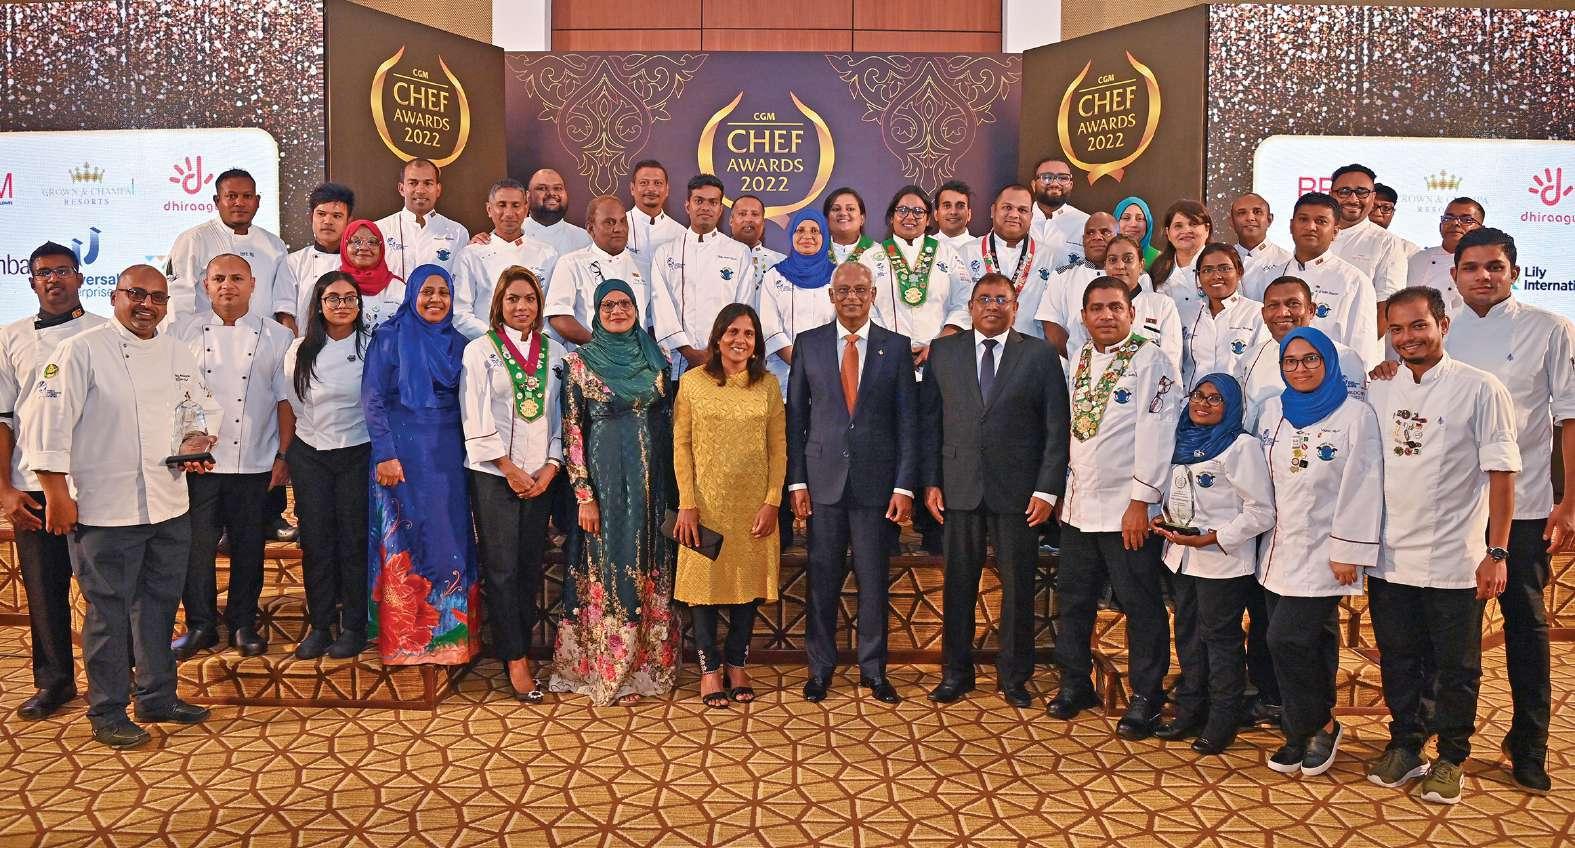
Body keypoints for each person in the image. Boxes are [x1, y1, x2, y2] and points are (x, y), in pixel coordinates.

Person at [1378, 228, 1573, 794]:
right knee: (1439, 637)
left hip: (1524, 505)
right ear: (1454, 276)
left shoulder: (1549, 328)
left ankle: (1529, 741)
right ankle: (1423, 739)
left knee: (1527, 629)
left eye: (1494, 266)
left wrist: (1569, 501)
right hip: (1447, 509)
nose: (1483, 276)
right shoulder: (1439, 328)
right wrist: (1387, 369)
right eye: (1470, 268)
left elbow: (1569, 417)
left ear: (1514, 270)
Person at [26, 264, 220, 749]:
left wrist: (197, 440)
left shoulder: (175, 351)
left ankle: (156, 696)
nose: (147, 305)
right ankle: (108, 710)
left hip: (168, 504)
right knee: (108, 615)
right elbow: (47, 424)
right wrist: (55, 493)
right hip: (104, 510)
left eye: (157, 297)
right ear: (114, 297)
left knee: (158, 606)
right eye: (137, 294)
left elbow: (199, 409)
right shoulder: (81, 350)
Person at [1361, 286, 1519, 805]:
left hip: (1455, 557)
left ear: (1443, 325)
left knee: (1457, 667)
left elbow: (1502, 476)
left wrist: (1497, 553)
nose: (1407, 337)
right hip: (1391, 556)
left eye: (1418, 325)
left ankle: (1452, 756)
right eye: (1397, 329)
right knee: (1398, 659)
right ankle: (1405, 742)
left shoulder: (1481, 388)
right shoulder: (1381, 387)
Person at [921, 273, 1068, 708]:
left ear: (1015, 307)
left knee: (1019, 588)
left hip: (1019, 494)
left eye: (1001, 299)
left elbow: (1056, 428)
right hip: (959, 486)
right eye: (984, 299)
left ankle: (1015, 677)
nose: (992, 306)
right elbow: (930, 421)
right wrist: (931, 481)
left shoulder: (1040, 355)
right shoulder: (944, 351)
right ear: (970, 307)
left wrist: (1047, 490)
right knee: (958, 586)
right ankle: (955, 673)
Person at [1046, 277, 1179, 740]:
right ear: (1083, 316)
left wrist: (1141, 501)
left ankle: (1147, 696)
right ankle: (1075, 683)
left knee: (1140, 604)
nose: (1105, 316)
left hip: (1128, 510)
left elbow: (1157, 434)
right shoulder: (1081, 356)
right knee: (1074, 600)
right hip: (1080, 507)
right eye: (1097, 308)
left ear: (1131, 313)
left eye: (1115, 307)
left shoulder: (1152, 360)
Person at [1253, 326, 1382, 778]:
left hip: (1327, 552)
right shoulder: (1271, 410)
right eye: (1291, 360)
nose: (1301, 368)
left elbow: (1363, 484)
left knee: (1285, 639)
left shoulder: (1356, 416)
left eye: (1311, 359)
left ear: (1328, 362)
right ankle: (1302, 730)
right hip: (1276, 550)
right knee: (1312, 642)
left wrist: (1348, 549)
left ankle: (1320, 723)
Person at [788, 262, 917, 704]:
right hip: (822, 484)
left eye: (861, 289)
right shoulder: (808, 344)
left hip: (876, 487)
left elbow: (907, 423)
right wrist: (796, 483)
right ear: (831, 295)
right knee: (822, 580)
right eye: (843, 290)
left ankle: (874, 671)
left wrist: (904, 486)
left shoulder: (895, 347)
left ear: (874, 294)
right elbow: (796, 419)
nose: (852, 297)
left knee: (873, 581)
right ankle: (819, 670)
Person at [550, 279, 680, 706]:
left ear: (637, 310)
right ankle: (610, 672)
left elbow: (669, 425)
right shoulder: (579, 363)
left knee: (649, 564)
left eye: (625, 303)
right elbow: (572, 432)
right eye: (608, 305)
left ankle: (645, 669)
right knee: (608, 567)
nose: (617, 311)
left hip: (651, 484)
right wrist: (584, 495)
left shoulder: (656, 359)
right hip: (604, 485)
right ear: (596, 312)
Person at [0, 242, 106, 720]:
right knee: (44, 590)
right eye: (44, 272)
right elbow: (3, 418)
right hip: (31, 485)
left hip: (95, 482)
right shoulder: (10, 337)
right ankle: (54, 682)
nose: (54, 279)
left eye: (63, 270)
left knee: (106, 588)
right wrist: (5, 490)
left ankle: (116, 676)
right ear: (31, 281)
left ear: (80, 277)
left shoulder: (107, 332)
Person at [170, 254, 294, 661]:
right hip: (198, 463)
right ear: (205, 285)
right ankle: (201, 624)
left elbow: (285, 401)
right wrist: (182, 448)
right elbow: (171, 397)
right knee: (197, 548)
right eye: (219, 278)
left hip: (253, 458)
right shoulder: (181, 332)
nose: (228, 285)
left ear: (252, 284)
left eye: (237, 278)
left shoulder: (277, 335)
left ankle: (243, 621)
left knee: (248, 546)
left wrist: (283, 454)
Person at [1149, 373, 1274, 755]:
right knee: (1188, 635)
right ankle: (1190, 710)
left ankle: (1222, 719)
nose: (1202, 404)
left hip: (1222, 562)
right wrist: (1162, 517)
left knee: (1220, 641)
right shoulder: (1180, 439)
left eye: (1214, 399)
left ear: (1231, 406)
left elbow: (1262, 511)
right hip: (1182, 557)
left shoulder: (1240, 446)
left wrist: (1215, 537)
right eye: (1198, 395)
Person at [362, 264, 479, 665]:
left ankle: (450, 639)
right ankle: (404, 640)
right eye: (427, 292)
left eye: (443, 293)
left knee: (448, 537)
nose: (435, 300)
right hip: (400, 456)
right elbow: (373, 399)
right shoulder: (388, 337)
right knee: (405, 540)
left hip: (448, 456)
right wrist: (385, 454)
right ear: (412, 294)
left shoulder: (461, 344)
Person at [672, 304, 786, 708]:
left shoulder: (768, 385)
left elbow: (778, 447)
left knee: (747, 587)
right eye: (733, 332)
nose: (740, 340)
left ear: (757, 343)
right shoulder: (693, 382)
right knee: (702, 588)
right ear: (718, 337)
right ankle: (708, 670)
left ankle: (737, 666)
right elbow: (681, 446)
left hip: (754, 505)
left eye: (749, 334)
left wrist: (772, 501)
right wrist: (687, 503)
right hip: (705, 504)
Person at [461, 266, 563, 701]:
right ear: (498, 304)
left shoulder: (556, 353)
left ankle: (520, 641)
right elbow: (474, 415)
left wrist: (551, 467)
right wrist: (507, 467)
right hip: (495, 476)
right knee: (501, 568)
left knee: (528, 565)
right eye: (513, 299)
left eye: (529, 299)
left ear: (539, 305)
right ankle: (515, 658)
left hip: (540, 478)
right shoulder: (479, 351)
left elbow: (560, 418)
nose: (522, 307)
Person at [284, 271, 372, 660]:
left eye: (350, 298)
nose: (342, 305)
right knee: (316, 542)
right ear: (319, 305)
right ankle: (320, 625)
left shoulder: (371, 345)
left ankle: (353, 627)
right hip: (311, 454)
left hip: (358, 451)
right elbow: (291, 402)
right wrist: (287, 455)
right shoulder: (299, 349)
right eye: (333, 298)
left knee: (353, 542)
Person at [651, 174, 750, 375]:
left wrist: (715, 353)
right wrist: (690, 353)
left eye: (713, 202)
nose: (705, 207)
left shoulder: (739, 252)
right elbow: (661, 308)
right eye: (699, 201)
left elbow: (743, 310)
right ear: (687, 206)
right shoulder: (665, 252)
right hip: (679, 362)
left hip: (725, 360)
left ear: (720, 210)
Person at [166, 167, 292, 326]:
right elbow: (178, 298)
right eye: (231, 196)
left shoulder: (275, 244)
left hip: (263, 337)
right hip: (207, 336)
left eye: (247, 196)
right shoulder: (194, 239)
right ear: (217, 201)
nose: (239, 202)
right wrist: (183, 335)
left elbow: (283, 300)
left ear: (257, 201)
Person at [1268, 192, 1379, 367]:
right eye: (1303, 219)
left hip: (1330, 379)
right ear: (1291, 226)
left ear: (1335, 232)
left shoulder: (1354, 281)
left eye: (1321, 221)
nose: (1311, 227)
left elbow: (1362, 353)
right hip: (1272, 373)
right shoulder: (1271, 276)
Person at [1240, 276, 1367, 429]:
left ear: (1311, 310)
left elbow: (1351, 418)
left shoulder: (1344, 357)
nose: (1282, 313)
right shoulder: (1252, 356)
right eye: (1273, 305)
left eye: (1293, 304)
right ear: (1263, 314)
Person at [453, 178, 558, 340]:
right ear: (489, 209)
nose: (509, 213)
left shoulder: (547, 254)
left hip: (537, 348)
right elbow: (460, 314)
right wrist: (498, 339)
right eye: (502, 205)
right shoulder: (470, 255)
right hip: (486, 346)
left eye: (515, 205)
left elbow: (554, 311)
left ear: (526, 208)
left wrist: (536, 341)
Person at [875, 185, 966, 367]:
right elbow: (864, 308)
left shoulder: (948, 254)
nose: (910, 217)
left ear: (928, 218)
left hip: (940, 357)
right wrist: (888, 345)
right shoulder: (871, 257)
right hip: (886, 357)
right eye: (902, 210)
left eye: (918, 211)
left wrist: (938, 345)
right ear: (892, 217)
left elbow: (964, 303)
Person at [545, 195, 651, 349]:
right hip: (588, 357)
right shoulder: (571, 263)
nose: (618, 228)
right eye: (609, 222)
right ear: (590, 228)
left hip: (636, 357)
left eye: (623, 221)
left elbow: (653, 321)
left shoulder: (644, 266)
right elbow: (559, 317)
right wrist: (601, 348)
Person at [956, 184, 1057, 340]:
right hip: (978, 347)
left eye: (1022, 210)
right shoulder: (966, 253)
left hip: (1030, 347)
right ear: (993, 211)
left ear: (1031, 216)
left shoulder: (1050, 257)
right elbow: (958, 307)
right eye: (1007, 207)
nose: (1014, 215)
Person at [1072, 235, 1181, 374]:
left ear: (1141, 264)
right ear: (1105, 266)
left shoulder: (1162, 305)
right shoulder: (1091, 308)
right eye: (1113, 260)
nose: (1119, 266)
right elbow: (1077, 357)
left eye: (1128, 259)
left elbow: (1171, 362)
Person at [759, 209, 839, 396]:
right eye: (800, 230)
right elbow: (770, 328)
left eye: (814, 231)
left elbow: (844, 326)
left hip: (828, 375)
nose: (807, 236)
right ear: (792, 235)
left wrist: (819, 368)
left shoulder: (838, 276)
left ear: (825, 236)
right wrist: (802, 365)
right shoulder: (774, 276)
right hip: (784, 377)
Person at [1035, 212, 1133, 359]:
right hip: (1073, 365)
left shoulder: (1133, 276)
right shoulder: (1062, 275)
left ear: (1118, 237)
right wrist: (1081, 359)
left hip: (1125, 364)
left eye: (1105, 232)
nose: (1097, 237)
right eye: (1090, 233)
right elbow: (1051, 324)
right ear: (1083, 240)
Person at [1327, 164, 1410, 327]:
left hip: (1359, 339)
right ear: (1331, 195)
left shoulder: (1386, 242)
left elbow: (1387, 308)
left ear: (1373, 197)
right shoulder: (1317, 233)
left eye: (1362, 192)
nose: (1353, 199)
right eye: (1344, 191)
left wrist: (1363, 342)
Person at [1183, 243, 1267, 386]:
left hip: (1239, 398)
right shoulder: (1185, 314)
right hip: (1193, 398)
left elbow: (1261, 369)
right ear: (1198, 277)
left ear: (1239, 272)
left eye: (1225, 268)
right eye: (1207, 270)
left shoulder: (1257, 313)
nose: (1216, 276)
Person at [374, 158, 469, 279]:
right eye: (413, 183)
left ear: (438, 189)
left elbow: (461, 282)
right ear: (401, 189)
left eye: (428, 183)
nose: (420, 190)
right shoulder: (379, 230)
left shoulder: (458, 233)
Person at [285, 182, 356, 330]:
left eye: (337, 216)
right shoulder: (293, 261)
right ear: (311, 217)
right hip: (304, 341)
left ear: (349, 221)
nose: (328, 221)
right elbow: (285, 313)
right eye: (321, 214)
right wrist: (296, 343)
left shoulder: (358, 260)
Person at [1407, 197, 1484, 315]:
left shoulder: (1487, 264)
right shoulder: (1418, 258)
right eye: (1448, 218)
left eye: (1466, 220)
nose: (1455, 223)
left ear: (1481, 229)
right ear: (1440, 225)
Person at [1149, 200, 1213, 336]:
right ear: (1168, 233)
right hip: (1170, 344)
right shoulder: (1158, 270)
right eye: (1178, 226)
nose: (1186, 230)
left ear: (1207, 229)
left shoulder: (1221, 263)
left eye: (1193, 224)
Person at [336, 219, 408, 332]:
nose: (364, 247)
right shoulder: (331, 284)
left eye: (372, 242)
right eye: (356, 241)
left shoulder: (398, 287)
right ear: (344, 245)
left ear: (381, 247)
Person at [624, 159, 687, 283]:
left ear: (667, 190)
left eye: (658, 183)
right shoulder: (618, 227)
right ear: (632, 188)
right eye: (644, 183)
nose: (651, 189)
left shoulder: (680, 234)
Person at [823, 187, 893, 287]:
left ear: (862, 219)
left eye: (850, 209)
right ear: (826, 219)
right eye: (836, 209)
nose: (843, 213)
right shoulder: (817, 253)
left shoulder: (878, 252)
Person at [1231, 193, 1294, 301]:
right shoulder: (1222, 259)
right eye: (1242, 213)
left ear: (1269, 219)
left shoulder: (1287, 261)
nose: (1250, 218)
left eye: (1257, 212)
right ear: (1231, 221)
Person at [522, 168, 593, 257]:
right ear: (528, 196)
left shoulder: (585, 239)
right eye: (542, 188)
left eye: (558, 188)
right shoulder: (513, 235)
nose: (551, 193)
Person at [727, 194, 785, 304]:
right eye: (742, 214)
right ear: (731, 220)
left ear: (763, 223)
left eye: (755, 214)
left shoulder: (781, 263)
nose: (748, 219)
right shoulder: (715, 257)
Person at [1027, 156, 1086, 262]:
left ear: (1071, 185)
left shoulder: (1086, 223)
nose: (1054, 184)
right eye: (1046, 177)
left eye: (1063, 178)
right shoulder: (1016, 220)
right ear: (1033, 185)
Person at [1369, 184, 1421, 258]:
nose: (1377, 213)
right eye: (1372, 206)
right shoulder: (1351, 241)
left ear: (1393, 213)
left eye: (1386, 208)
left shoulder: (1408, 250)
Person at [1113, 196, 1160, 268]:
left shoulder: (1160, 260)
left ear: (1148, 223)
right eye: (1126, 218)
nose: (1133, 224)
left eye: (1139, 219)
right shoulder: (1106, 257)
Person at [934, 180, 976, 252]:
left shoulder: (981, 249)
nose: (953, 212)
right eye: (947, 206)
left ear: (969, 214)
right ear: (936, 214)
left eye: (960, 206)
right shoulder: (922, 248)